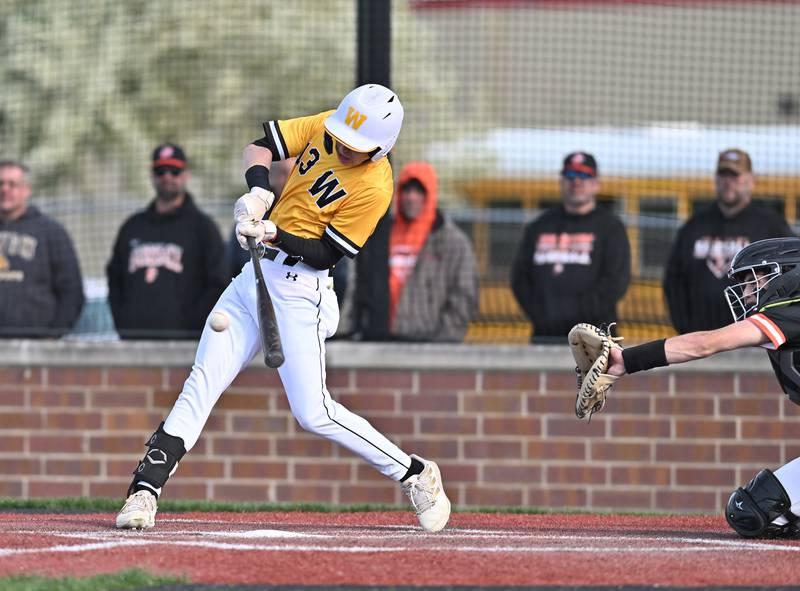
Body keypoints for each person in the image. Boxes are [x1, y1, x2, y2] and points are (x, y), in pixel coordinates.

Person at [115, 85, 451, 533]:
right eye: (342, 141)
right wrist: (258, 195)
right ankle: (145, 488)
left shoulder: (375, 187)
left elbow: (326, 254)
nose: (344, 150)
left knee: (314, 412)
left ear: (382, 146)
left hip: (300, 288)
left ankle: (414, 473)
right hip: (253, 278)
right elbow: (259, 148)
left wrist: (271, 232)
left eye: (357, 149)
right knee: (202, 382)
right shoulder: (335, 124)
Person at [604, 236, 800, 539]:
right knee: (758, 509)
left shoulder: (790, 311)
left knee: (750, 510)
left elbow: (704, 344)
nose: (747, 293)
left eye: (754, 281)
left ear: (787, 274)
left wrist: (626, 360)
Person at [664, 148, 793, 334]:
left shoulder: (771, 226)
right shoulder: (694, 225)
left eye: (735, 175)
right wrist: (686, 328)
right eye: (723, 175)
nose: (728, 182)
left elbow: (789, 277)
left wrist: (770, 327)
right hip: (700, 338)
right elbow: (673, 280)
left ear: (751, 179)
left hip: (753, 340)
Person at [106, 144, 228, 339]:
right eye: (160, 171)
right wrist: (124, 323)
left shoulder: (203, 229)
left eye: (174, 171)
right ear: (152, 175)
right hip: (133, 344)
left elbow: (218, 284)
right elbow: (114, 278)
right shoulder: (132, 227)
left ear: (185, 175)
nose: (167, 177)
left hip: (185, 347)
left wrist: (193, 327)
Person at [510, 151, 631, 342]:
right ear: (561, 181)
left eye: (584, 176)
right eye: (571, 176)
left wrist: (576, 320)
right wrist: (544, 315)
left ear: (596, 183)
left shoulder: (611, 228)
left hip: (595, 338)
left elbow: (615, 283)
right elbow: (520, 279)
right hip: (546, 336)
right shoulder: (539, 226)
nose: (577, 182)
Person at [389, 161, 478, 342]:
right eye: (406, 190)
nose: (411, 197)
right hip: (383, 342)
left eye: (419, 191)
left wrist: (442, 344)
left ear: (430, 194)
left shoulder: (453, 243)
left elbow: (464, 296)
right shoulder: (383, 235)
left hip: (429, 343)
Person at [0, 160, 84, 338]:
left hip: (34, 350)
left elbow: (72, 291)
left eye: (12, 184)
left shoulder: (51, 232)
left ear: (26, 190)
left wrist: (52, 337)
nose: (5, 189)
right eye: (1, 183)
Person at [227, 156, 297, 279]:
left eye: (295, 175)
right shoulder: (253, 216)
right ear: (272, 177)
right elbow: (232, 264)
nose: (289, 181)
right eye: (284, 174)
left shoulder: (311, 216)